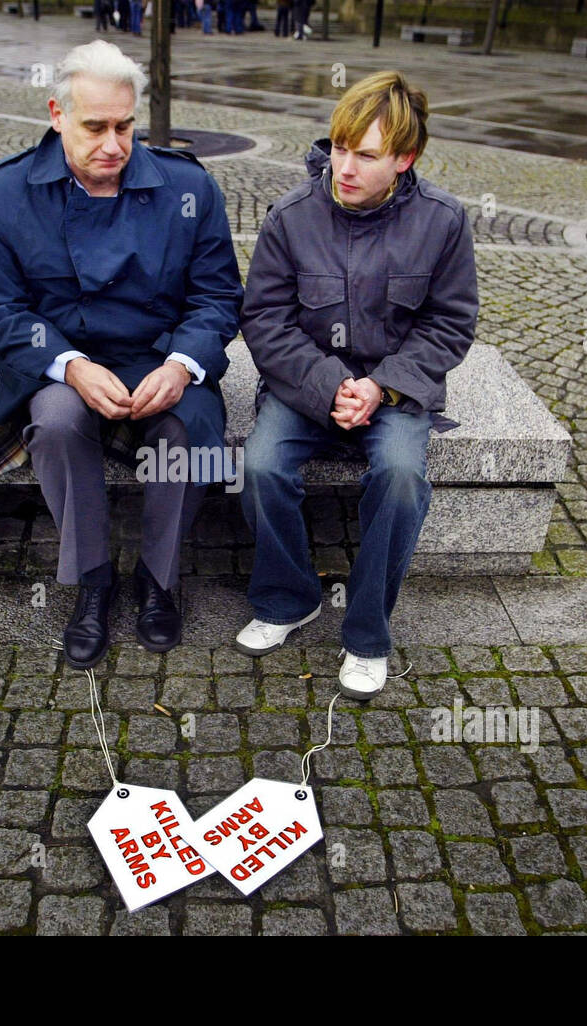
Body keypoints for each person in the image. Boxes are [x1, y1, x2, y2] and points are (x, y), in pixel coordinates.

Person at [0, 41, 242, 669]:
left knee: (193, 427)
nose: (113, 145)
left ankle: (157, 578)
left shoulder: (186, 186)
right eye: (95, 127)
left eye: (125, 126)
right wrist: (70, 365)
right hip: (63, 359)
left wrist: (182, 364)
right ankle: (93, 580)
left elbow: (218, 295)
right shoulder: (7, 194)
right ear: (57, 113)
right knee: (58, 422)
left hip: (159, 354)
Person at [235, 71, 478, 699]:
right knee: (261, 466)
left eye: (365, 155)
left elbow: (450, 324)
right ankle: (289, 599)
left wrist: (382, 388)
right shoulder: (291, 215)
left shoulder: (445, 221)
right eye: (340, 148)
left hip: (396, 393)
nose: (344, 166)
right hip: (305, 385)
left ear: (405, 158)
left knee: (400, 476)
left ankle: (367, 633)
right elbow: (264, 319)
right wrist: (329, 383)